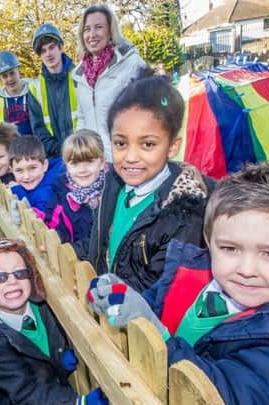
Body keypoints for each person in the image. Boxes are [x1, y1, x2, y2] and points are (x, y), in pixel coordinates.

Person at [86, 163, 269, 405]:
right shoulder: (192, 270)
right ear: (209, 240)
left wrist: (160, 340)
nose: (246, 270)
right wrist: (119, 294)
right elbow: (151, 305)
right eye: (230, 248)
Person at [74, 70, 215, 292]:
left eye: (147, 144)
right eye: (120, 143)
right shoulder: (114, 183)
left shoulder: (183, 217)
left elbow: (160, 292)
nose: (130, 157)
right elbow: (103, 242)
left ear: (172, 147)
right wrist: (68, 252)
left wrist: (104, 296)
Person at [0, 238, 110, 405]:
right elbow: (24, 391)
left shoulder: (41, 307)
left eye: (20, 273)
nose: (12, 281)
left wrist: (58, 358)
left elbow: (48, 341)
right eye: (1, 277)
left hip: (53, 395)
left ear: (31, 276)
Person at [71, 4, 146, 161]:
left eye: (98, 27)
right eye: (87, 29)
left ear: (110, 31)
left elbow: (148, 111)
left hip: (127, 158)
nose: (92, 34)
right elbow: (82, 117)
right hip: (95, 162)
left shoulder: (131, 63)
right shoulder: (80, 74)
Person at [45, 129, 106, 243]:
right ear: (66, 165)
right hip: (74, 257)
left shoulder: (114, 191)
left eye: (89, 161)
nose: (82, 170)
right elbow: (53, 228)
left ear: (102, 163)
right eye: (75, 163)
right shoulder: (59, 196)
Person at [28, 23, 78, 158]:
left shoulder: (80, 77)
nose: (48, 54)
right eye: (43, 51)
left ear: (61, 47)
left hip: (84, 151)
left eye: (52, 47)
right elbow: (38, 129)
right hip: (55, 157)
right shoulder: (35, 88)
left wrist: (79, 147)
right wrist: (59, 150)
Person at [9, 135, 65, 216]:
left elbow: (34, 216)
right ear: (11, 170)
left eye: (32, 168)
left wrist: (17, 190)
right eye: (19, 170)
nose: (26, 176)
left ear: (45, 165)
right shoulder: (48, 171)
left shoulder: (46, 193)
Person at [0, 51, 32, 135]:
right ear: (0, 78)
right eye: (4, 76)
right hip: (10, 146)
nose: (10, 79)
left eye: (12, 73)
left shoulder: (33, 92)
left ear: (18, 71)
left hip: (33, 144)